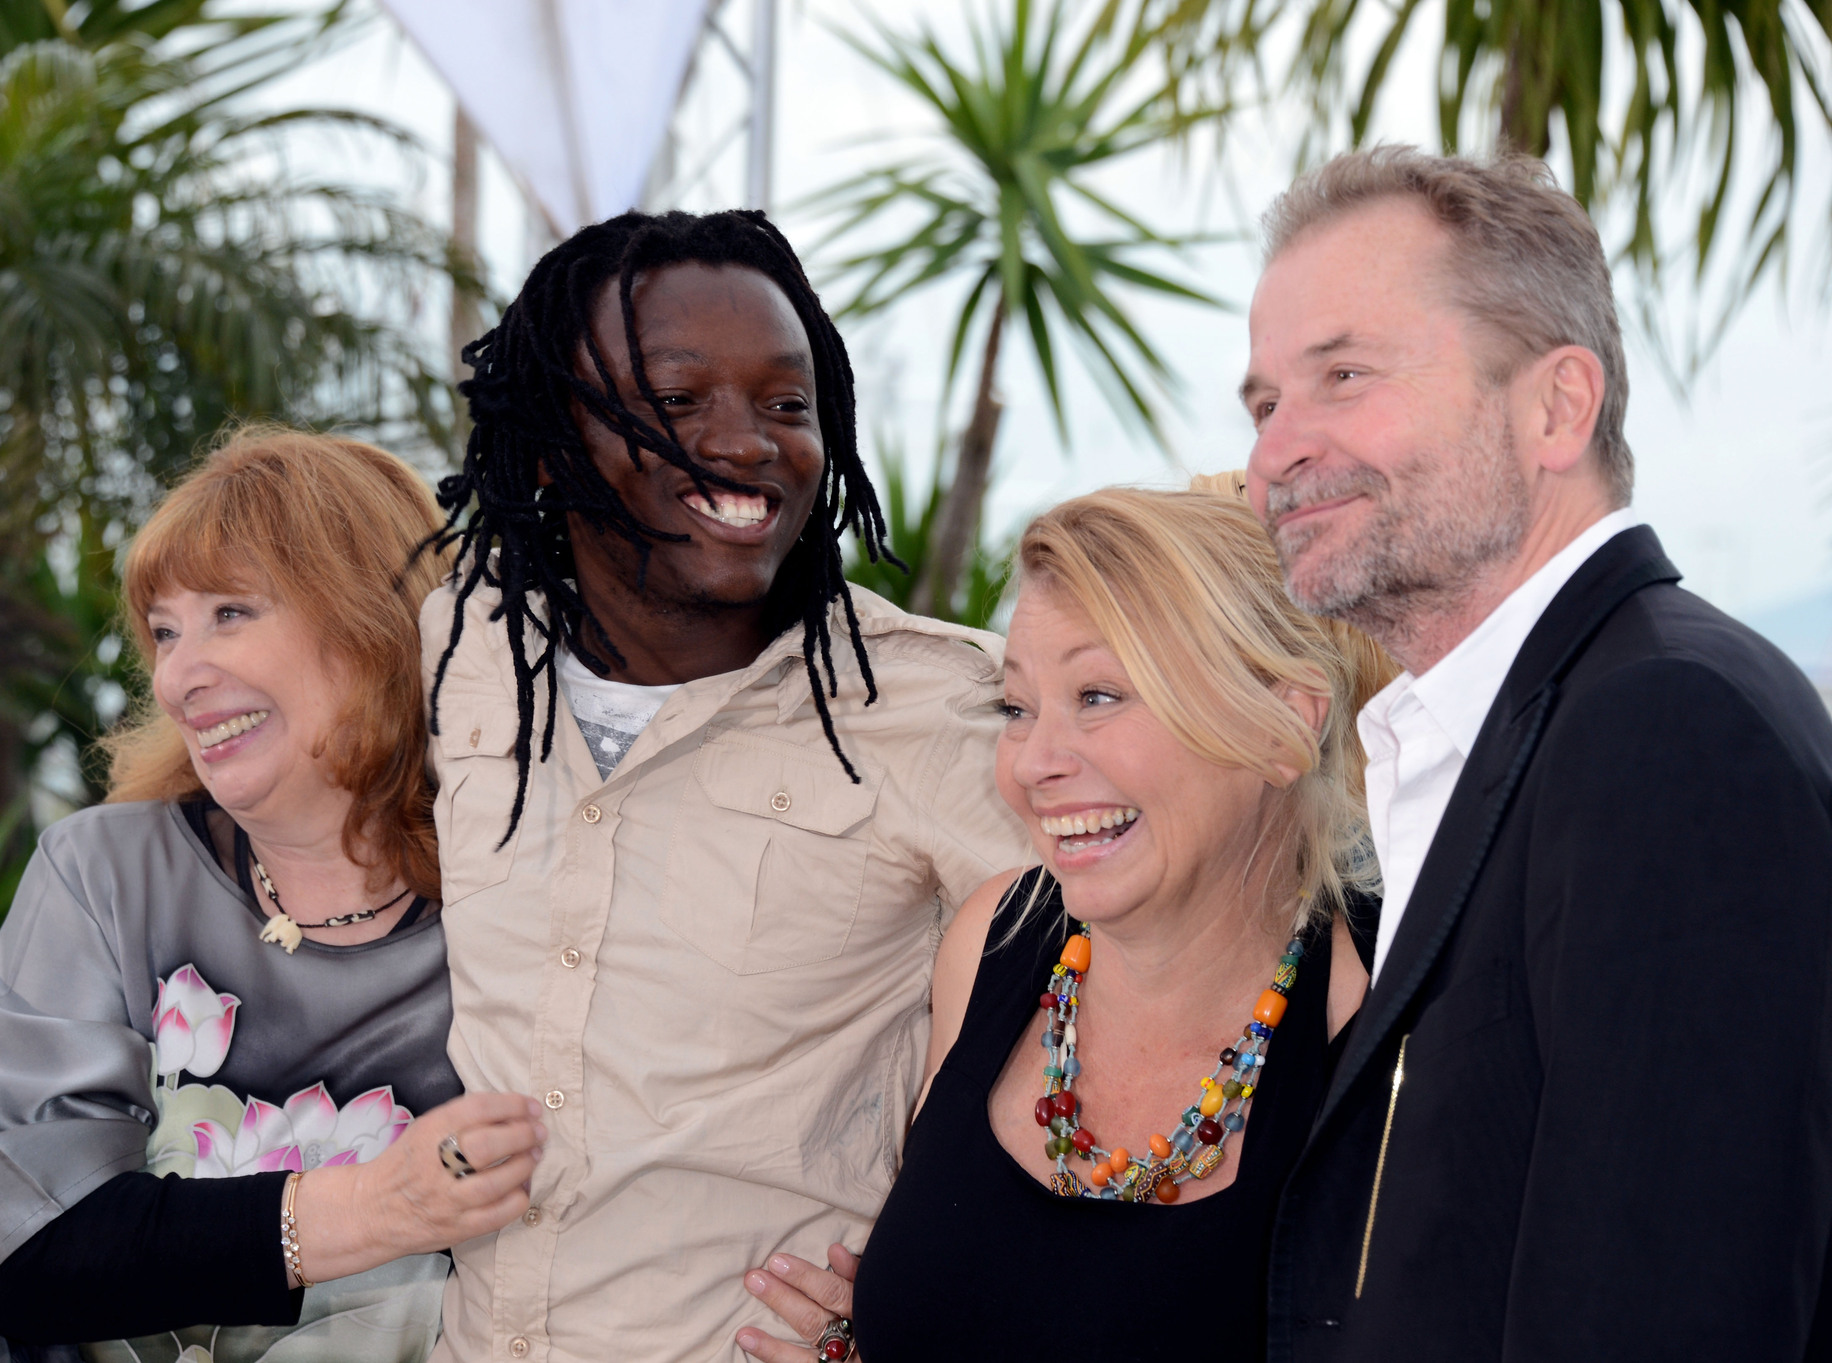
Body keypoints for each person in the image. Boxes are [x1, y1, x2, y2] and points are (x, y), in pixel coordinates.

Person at [1240, 147, 1832, 1359]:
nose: (1273, 454)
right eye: (1261, 403)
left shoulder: (1665, 731)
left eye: (1340, 374)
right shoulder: (1488, 734)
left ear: (1556, 406)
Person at [420, 208, 1031, 1362]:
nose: (748, 443)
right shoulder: (460, 652)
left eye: (785, 405)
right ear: (553, 444)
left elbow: (1127, 1008)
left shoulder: (927, 711)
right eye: (677, 400)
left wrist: (918, 1299)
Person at [0, 429, 543, 1363]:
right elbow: (19, 1245)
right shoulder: (109, 876)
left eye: (230, 612)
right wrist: (366, 1209)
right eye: (165, 630)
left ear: (373, 622)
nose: (176, 675)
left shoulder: (524, 894)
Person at [735, 479, 1393, 1361]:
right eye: (1017, 707)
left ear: (1283, 723)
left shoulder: (1402, 1024)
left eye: (1100, 696)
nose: (1034, 763)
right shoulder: (995, 937)